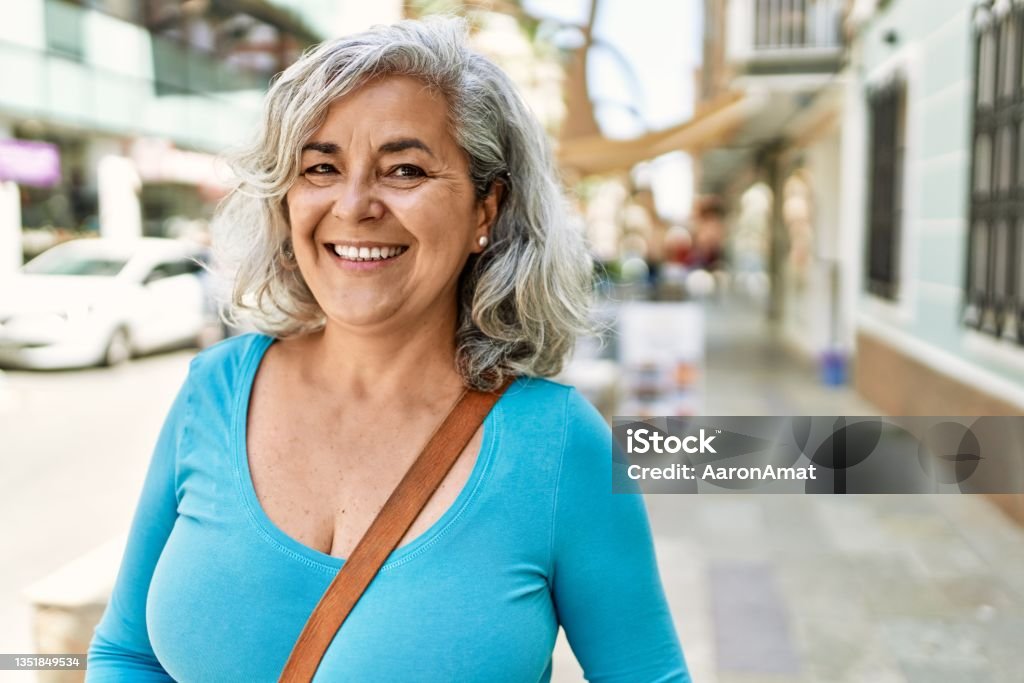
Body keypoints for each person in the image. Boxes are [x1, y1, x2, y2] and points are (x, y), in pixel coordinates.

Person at [86, 17, 690, 682]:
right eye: (320, 167)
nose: (354, 204)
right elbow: (127, 652)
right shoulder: (215, 387)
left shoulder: (559, 444)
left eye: (404, 169)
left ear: (486, 210)